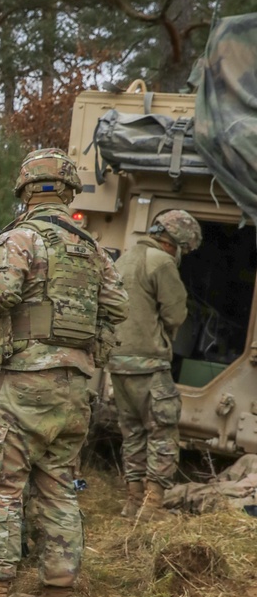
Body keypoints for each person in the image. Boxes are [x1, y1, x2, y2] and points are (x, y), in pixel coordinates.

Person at [0, 148, 128, 597]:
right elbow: (117, 307)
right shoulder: (91, 248)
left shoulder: (21, 238)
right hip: (74, 390)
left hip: (20, 385)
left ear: (26, 190)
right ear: (69, 190)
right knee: (58, 489)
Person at [108, 210, 202, 519]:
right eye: (184, 250)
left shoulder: (124, 260)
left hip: (119, 364)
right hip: (149, 364)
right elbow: (175, 314)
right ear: (174, 242)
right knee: (162, 434)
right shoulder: (160, 262)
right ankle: (152, 506)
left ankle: (132, 501)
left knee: (133, 433)